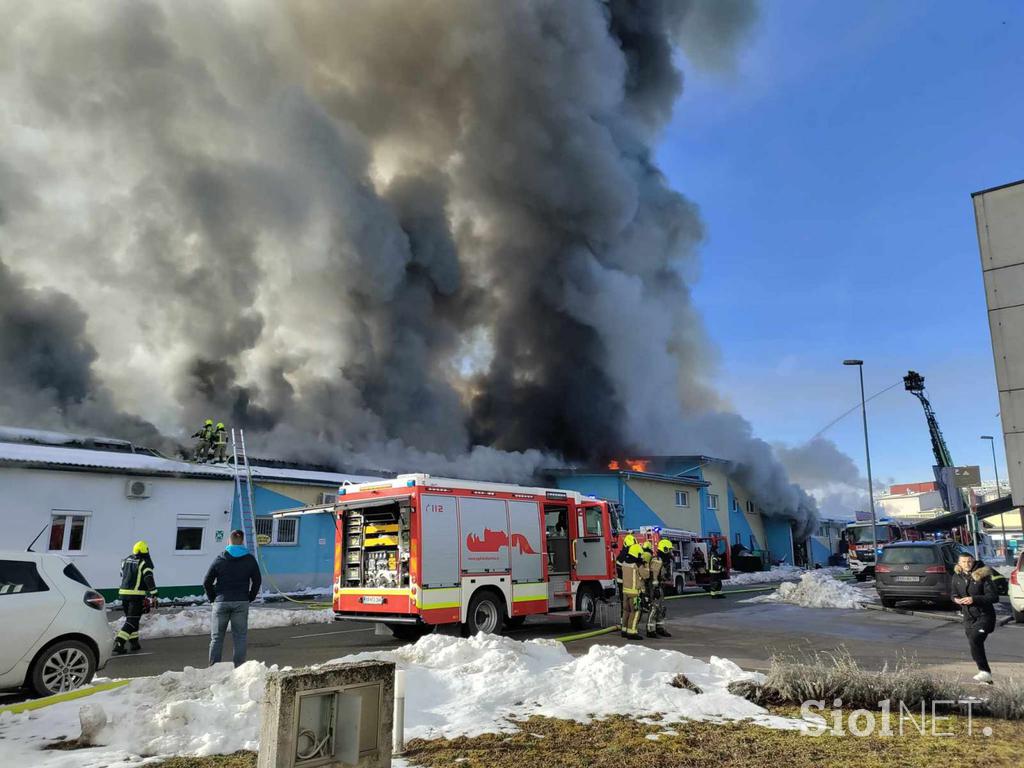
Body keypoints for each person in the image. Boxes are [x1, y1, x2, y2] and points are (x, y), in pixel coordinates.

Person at [204, 529, 262, 667]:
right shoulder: (250, 559)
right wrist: (250, 597)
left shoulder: (220, 558)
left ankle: (213, 668)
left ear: (229, 541)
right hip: (241, 601)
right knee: (240, 637)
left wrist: (213, 599)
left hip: (221, 601)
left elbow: (206, 581)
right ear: (242, 541)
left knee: (217, 638)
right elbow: (257, 581)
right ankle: (239, 668)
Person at [952, 552, 999, 684]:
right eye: (963, 562)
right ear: (959, 563)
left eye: (969, 561)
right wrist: (956, 599)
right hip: (968, 617)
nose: (967, 564)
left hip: (985, 616)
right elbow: (953, 593)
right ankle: (986, 677)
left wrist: (974, 599)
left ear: (973, 561)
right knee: (974, 644)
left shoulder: (982, 576)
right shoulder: (957, 576)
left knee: (975, 639)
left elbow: (994, 597)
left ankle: (984, 672)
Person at [115, 541, 158, 655]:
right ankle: (119, 643)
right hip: (136, 595)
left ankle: (134, 643)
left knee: (132, 619)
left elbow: (122, 575)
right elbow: (148, 578)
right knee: (132, 621)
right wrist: (154, 594)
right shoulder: (144, 563)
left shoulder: (125, 561)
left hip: (123, 594)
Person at [645, 539, 673, 638]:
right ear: (664, 549)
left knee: (661, 608)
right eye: (669, 550)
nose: (670, 552)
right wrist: (655, 589)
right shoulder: (657, 560)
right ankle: (650, 630)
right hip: (654, 587)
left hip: (659, 586)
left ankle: (659, 628)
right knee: (654, 608)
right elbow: (654, 575)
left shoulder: (662, 560)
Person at [619, 542, 646, 640]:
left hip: (625, 591)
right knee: (635, 612)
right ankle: (632, 632)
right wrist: (645, 565)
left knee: (626, 611)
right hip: (634, 593)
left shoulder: (625, 563)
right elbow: (645, 575)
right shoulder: (637, 565)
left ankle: (624, 630)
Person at [615, 534, 637, 624]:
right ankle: (625, 623)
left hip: (624, 583)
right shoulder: (624, 556)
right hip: (625, 583)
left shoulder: (621, 556)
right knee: (627, 605)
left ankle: (624, 623)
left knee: (625, 605)